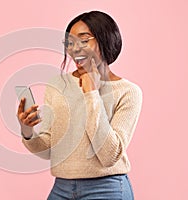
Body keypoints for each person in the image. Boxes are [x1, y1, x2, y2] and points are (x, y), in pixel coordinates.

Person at [17, 10, 142, 200]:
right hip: (61, 187)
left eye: (84, 41)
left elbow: (109, 155)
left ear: (106, 39)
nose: (75, 49)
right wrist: (27, 131)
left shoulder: (127, 92)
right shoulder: (57, 85)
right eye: (70, 43)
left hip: (107, 188)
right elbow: (50, 149)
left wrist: (92, 93)